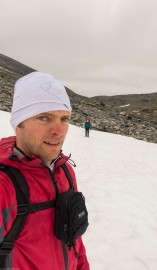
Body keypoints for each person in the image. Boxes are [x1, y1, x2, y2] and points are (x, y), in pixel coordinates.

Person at [0, 72, 90, 270]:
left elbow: (75, 243)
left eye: (64, 118)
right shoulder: (5, 185)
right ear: (18, 123)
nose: (58, 130)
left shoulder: (65, 171)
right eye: (43, 117)